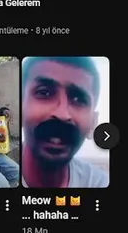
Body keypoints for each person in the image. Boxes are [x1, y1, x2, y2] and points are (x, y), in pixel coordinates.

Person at [21, 56, 109, 187]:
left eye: (79, 99)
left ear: (93, 122)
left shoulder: (99, 183)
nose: (62, 114)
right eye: (44, 92)